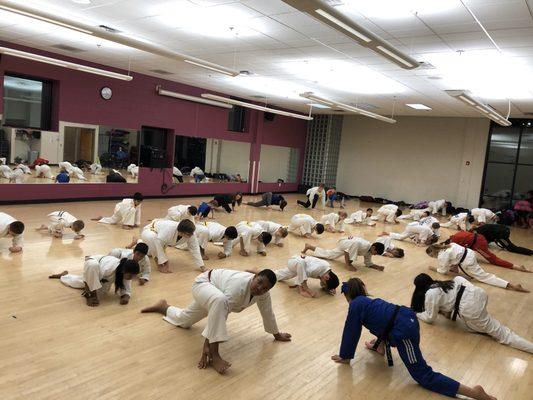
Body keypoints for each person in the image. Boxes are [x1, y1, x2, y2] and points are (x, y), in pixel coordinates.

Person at [332, 278, 497, 400]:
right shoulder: (367, 302)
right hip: (406, 317)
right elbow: (381, 322)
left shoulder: (355, 305)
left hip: (403, 331)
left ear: (347, 294)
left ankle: (474, 392)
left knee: (423, 375)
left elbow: (351, 331)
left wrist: (345, 356)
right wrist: (378, 342)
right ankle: (380, 346)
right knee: (379, 322)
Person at [141, 269, 291, 374]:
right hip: (204, 284)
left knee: (184, 321)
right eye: (259, 282)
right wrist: (209, 348)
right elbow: (221, 314)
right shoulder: (238, 285)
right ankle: (215, 355)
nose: (259, 289)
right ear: (255, 276)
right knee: (220, 301)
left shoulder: (263, 294)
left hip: (215, 295)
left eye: (264, 288)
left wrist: (276, 335)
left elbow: (268, 313)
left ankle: (163, 306)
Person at [411, 273, 533, 354]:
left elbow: (430, 318)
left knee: (503, 334)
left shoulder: (430, 294)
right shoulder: (445, 283)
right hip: (478, 293)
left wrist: (416, 313)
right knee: (458, 278)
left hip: (470, 308)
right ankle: (483, 326)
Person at [426, 243, 528, 292]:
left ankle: (512, 286)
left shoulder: (442, 256)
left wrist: (434, 269)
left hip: (467, 262)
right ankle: (466, 272)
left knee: (484, 277)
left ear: (434, 252)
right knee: (454, 264)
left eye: (431, 255)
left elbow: (443, 271)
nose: (433, 257)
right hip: (470, 253)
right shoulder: (449, 245)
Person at [49, 255, 140, 307]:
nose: (131, 278)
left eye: (133, 276)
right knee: (88, 278)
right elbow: (89, 280)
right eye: (131, 275)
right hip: (93, 263)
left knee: (82, 283)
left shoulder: (125, 270)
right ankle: (64, 276)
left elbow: (126, 285)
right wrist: (90, 295)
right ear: (124, 271)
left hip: (100, 273)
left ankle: (64, 275)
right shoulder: (109, 268)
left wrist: (126, 296)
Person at [131, 218, 204, 273]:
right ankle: (139, 241)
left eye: (191, 233)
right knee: (152, 238)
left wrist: (202, 266)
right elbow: (158, 244)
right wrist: (161, 263)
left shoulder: (190, 233)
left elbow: (195, 249)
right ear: (180, 232)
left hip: (160, 236)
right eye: (188, 234)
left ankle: (138, 241)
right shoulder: (169, 229)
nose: (191, 235)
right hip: (150, 230)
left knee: (149, 253)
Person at [447, 230, 529, 272]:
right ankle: (454, 268)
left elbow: (456, 255)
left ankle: (516, 266)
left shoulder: (454, 242)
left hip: (478, 244)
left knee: (493, 260)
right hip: (480, 237)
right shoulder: (457, 234)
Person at [302, 237, 385, 271]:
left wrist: (378, 267)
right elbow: (346, 251)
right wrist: (348, 265)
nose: (374, 255)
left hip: (347, 243)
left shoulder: (369, 251)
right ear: (373, 248)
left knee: (329, 255)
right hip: (345, 242)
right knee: (332, 255)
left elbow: (368, 263)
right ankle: (348, 264)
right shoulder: (364, 245)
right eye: (376, 253)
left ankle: (309, 246)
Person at [274, 255, 339, 297]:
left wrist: (331, 287)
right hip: (294, 261)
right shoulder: (316, 269)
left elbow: (327, 280)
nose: (322, 284)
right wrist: (303, 290)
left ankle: (272, 275)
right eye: (324, 284)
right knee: (301, 264)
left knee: (278, 275)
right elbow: (301, 274)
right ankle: (301, 290)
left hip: (297, 265)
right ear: (326, 277)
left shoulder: (326, 270)